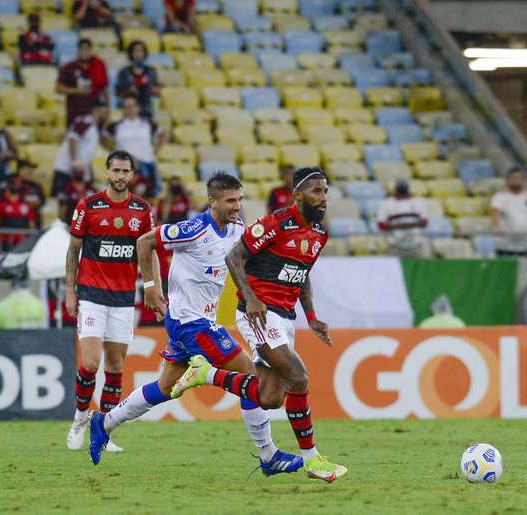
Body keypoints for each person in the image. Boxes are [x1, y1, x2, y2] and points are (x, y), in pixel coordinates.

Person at [88, 173, 304, 477]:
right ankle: (268, 455)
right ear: (212, 201)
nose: (237, 206)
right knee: (251, 377)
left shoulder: (238, 228)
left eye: (240, 199)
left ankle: (105, 422)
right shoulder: (194, 229)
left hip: (203, 319)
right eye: (230, 200)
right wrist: (151, 286)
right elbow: (145, 241)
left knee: (166, 387)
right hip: (189, 321)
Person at [171, 167, 348, 482]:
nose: (323, 198)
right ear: (297, 196)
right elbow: (234, 258)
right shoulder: (274, 224)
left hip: (286, 316)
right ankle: (313, 459)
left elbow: (302, 272)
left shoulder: (320, 233)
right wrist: (251, 299)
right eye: (317, 192)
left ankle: (206, 374)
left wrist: (312, 316)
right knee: (299, 377)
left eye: (325, 192)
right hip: (260, 314)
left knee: (269, 397)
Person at [64, 150, 158, 453]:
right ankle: (79, 419)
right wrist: (69, 290)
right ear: (106, 172)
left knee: (116, 366)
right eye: (115, 170)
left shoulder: (142, 210)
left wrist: (152, 288)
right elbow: (73, 249)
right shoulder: (88, 206)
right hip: (91, 294)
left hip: (122, 298)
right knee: (90, 363)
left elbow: (150, 251)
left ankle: (101, 431)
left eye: (125, 171)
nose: (120, 176)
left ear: (132, 175)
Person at [103, 93, 166, 197]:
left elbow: (162, 133)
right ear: (123, 109)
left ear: (138, 108)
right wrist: (113, 151)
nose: (130, 109)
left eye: (132, 106)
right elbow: (103, 137)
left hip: (146, 163)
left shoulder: (147, 123)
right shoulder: (116, 126)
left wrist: (155, 149)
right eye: (127, 107)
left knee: (149, 195)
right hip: (123, 167)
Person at [51, 99, 108, 197]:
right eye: (103, 110)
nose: (106, 113)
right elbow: (72, 139)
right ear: (96, 110)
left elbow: (88, 152)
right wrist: (74, 161)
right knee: (60, 198)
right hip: (66, 168)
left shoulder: (95, 126)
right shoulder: (85, 121)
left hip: (80, 170)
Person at [57, 38, 109, 127]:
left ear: (91, 50)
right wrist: (76, 91)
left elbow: (104, 90)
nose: (85, 52)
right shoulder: (69, 67)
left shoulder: (98, 66)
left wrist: (107, 110)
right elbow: (59, 88)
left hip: (94, 111)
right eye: (82, 49)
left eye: (87, 49)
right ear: (78, 50)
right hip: (75, 111)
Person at [376, 179, 429, 258]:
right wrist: (401, 226)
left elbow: (425, 223)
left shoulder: (418, 202)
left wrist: (406, 225)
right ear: (396, 190)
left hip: (416, 244)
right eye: (400, 188)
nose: (402, 190)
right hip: (395, 245)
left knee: (419, 269)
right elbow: (381, 225)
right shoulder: (387, 204)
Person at [115, 41, 160, 119]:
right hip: (128, 112)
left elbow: (156, 91)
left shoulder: (151, 72)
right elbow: (118, 93)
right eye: (135, 51)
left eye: (141, 51)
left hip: (146, 111)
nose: (138, 54)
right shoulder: (124, 72)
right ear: (131, 54)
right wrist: (128, 92)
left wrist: (155, 91)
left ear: (144, 53)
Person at [0, 183, 38, 254]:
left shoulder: (26, 204)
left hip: (23, 240)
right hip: (6, 240)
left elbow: (31, 224)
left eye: (6, 191)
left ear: (10, 192)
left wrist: (32, 240)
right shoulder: (0, 204)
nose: (4, 193)